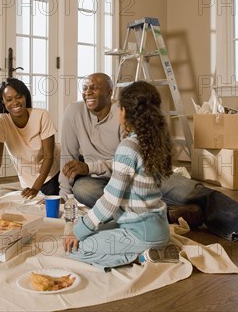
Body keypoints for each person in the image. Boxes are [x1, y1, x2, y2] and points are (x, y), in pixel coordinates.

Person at [60, 73, 238, 247]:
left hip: (138, 174)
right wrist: (62, 197)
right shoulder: (73, 112)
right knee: (84, 188)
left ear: (110, 93)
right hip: (101, 180)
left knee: (192, 191)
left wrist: (89, 166)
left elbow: (127, 159)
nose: (88, 92)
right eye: (85, 88)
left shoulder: (124, 115)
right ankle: (171, 213)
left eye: (94, 88)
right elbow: (68, 158)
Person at [63, 81, 182, 270]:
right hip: (159, 228)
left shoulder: (128, 147)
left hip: (139, 232)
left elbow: (110, 202)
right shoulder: (158, 143)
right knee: (91, 230)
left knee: (76, 247)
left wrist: (78, 232)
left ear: (125, 112)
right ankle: (153, 251)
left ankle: (140, 258)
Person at [0, 78, 60, 205]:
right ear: (3, 102)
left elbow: (49, 156)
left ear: (25, 96)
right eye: (9, 99)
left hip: (55, 171)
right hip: (29, 182)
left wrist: (36, 187)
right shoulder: (1, 121)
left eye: (18, 97)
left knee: (59, 203)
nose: (15, 102)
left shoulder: (42, 115)